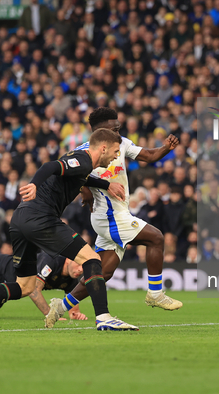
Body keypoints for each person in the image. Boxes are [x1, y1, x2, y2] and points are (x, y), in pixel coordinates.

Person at [0, 128, 131, 331]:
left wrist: (105, 185)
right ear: (103, 148)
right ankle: (103, 317)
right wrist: (34, 185)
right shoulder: (83, 160)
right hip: (40, 218)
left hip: (20, 219)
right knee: (92, 259)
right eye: (116, 151)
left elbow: (81, 176)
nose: (117, 156)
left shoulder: (82, 165)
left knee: (25, 286)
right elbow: (51, 166)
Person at [45, 107, 182, 329]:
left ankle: (60, 306)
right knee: (156, 238)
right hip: (107, 216)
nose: (118, 129)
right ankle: (155, 293)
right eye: (113, 126)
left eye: (118, 126)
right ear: (99, 130)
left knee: (103, 272)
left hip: (119, 214)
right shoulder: (82, 152)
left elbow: (148, 155)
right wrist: (84, 188)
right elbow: (68, 174)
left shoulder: (122, 143)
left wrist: (166, 147)